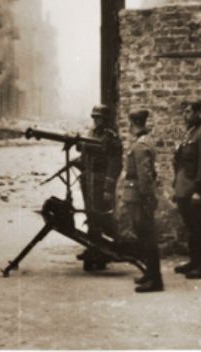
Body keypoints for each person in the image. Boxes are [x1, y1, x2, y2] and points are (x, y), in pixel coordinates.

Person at [77, 104, 122, 269]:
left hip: (101, 183)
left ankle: (104, 253)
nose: (96, 121)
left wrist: (108, 188)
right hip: (89, 181)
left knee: (102, 217)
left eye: (99, 118)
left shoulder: (111, 137)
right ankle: (92, 248)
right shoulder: (92, 134)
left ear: (106, 119)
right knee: (91, 216)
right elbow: (86, 156)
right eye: (94, 118)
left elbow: (114, 163)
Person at [123, 108, 163, 293]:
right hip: (140, 196)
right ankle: (149, 274)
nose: (129, 128)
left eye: (130, 124)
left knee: (147, 237)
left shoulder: (140, 145)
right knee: (145, 236)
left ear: (134, 124)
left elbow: (144, 176)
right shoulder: (146, 142)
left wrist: (147, 198)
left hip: (139, 197)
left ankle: (155, 281)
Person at [173, 101, 201, 279]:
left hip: (196, 188)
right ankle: (194, 261)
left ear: (198, 112)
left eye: (189, 111)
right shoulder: (189, 133)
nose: (185, 115)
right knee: (191, 227)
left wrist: (199, 190)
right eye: (184, 112)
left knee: (200, 227)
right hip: (185, 187)